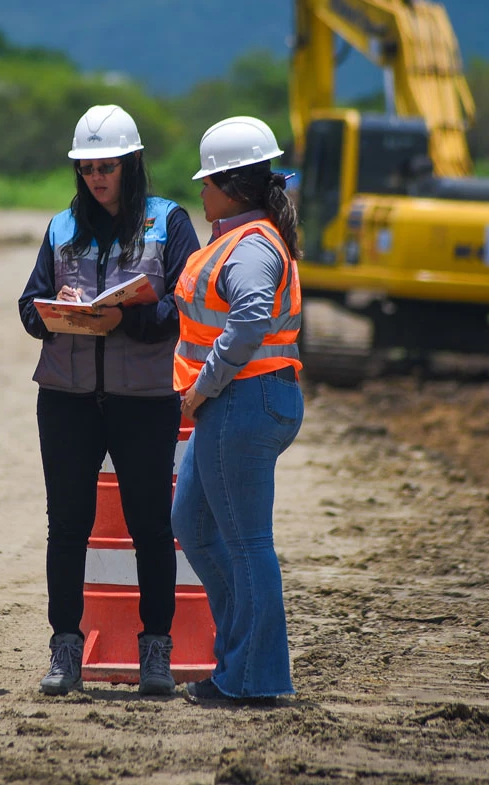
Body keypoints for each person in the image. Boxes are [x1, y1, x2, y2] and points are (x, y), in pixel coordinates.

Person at [17, 105, 201, 696]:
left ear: (131, 165)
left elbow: (185, 309)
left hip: (144, 400)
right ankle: (64, 651)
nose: (97, 177)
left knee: (152, 526)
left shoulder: (169, 222)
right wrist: (59, 311)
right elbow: (28, 309)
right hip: (67, 401)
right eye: (88, 167)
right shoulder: (60, 227)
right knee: (66, 526)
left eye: (108, 167)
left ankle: (157, 655)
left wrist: (130, 317)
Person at [170, 115, 304, 704]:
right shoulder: (244, 237)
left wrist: (204, 383)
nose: (200, 191)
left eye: (206, 182)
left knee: (248, 543)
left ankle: (250, 677)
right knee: (194, 525)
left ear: (230, 186)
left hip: (242, 400)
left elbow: (249, 319)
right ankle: (243, 658)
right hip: (242, 401)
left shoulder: (252, 245)